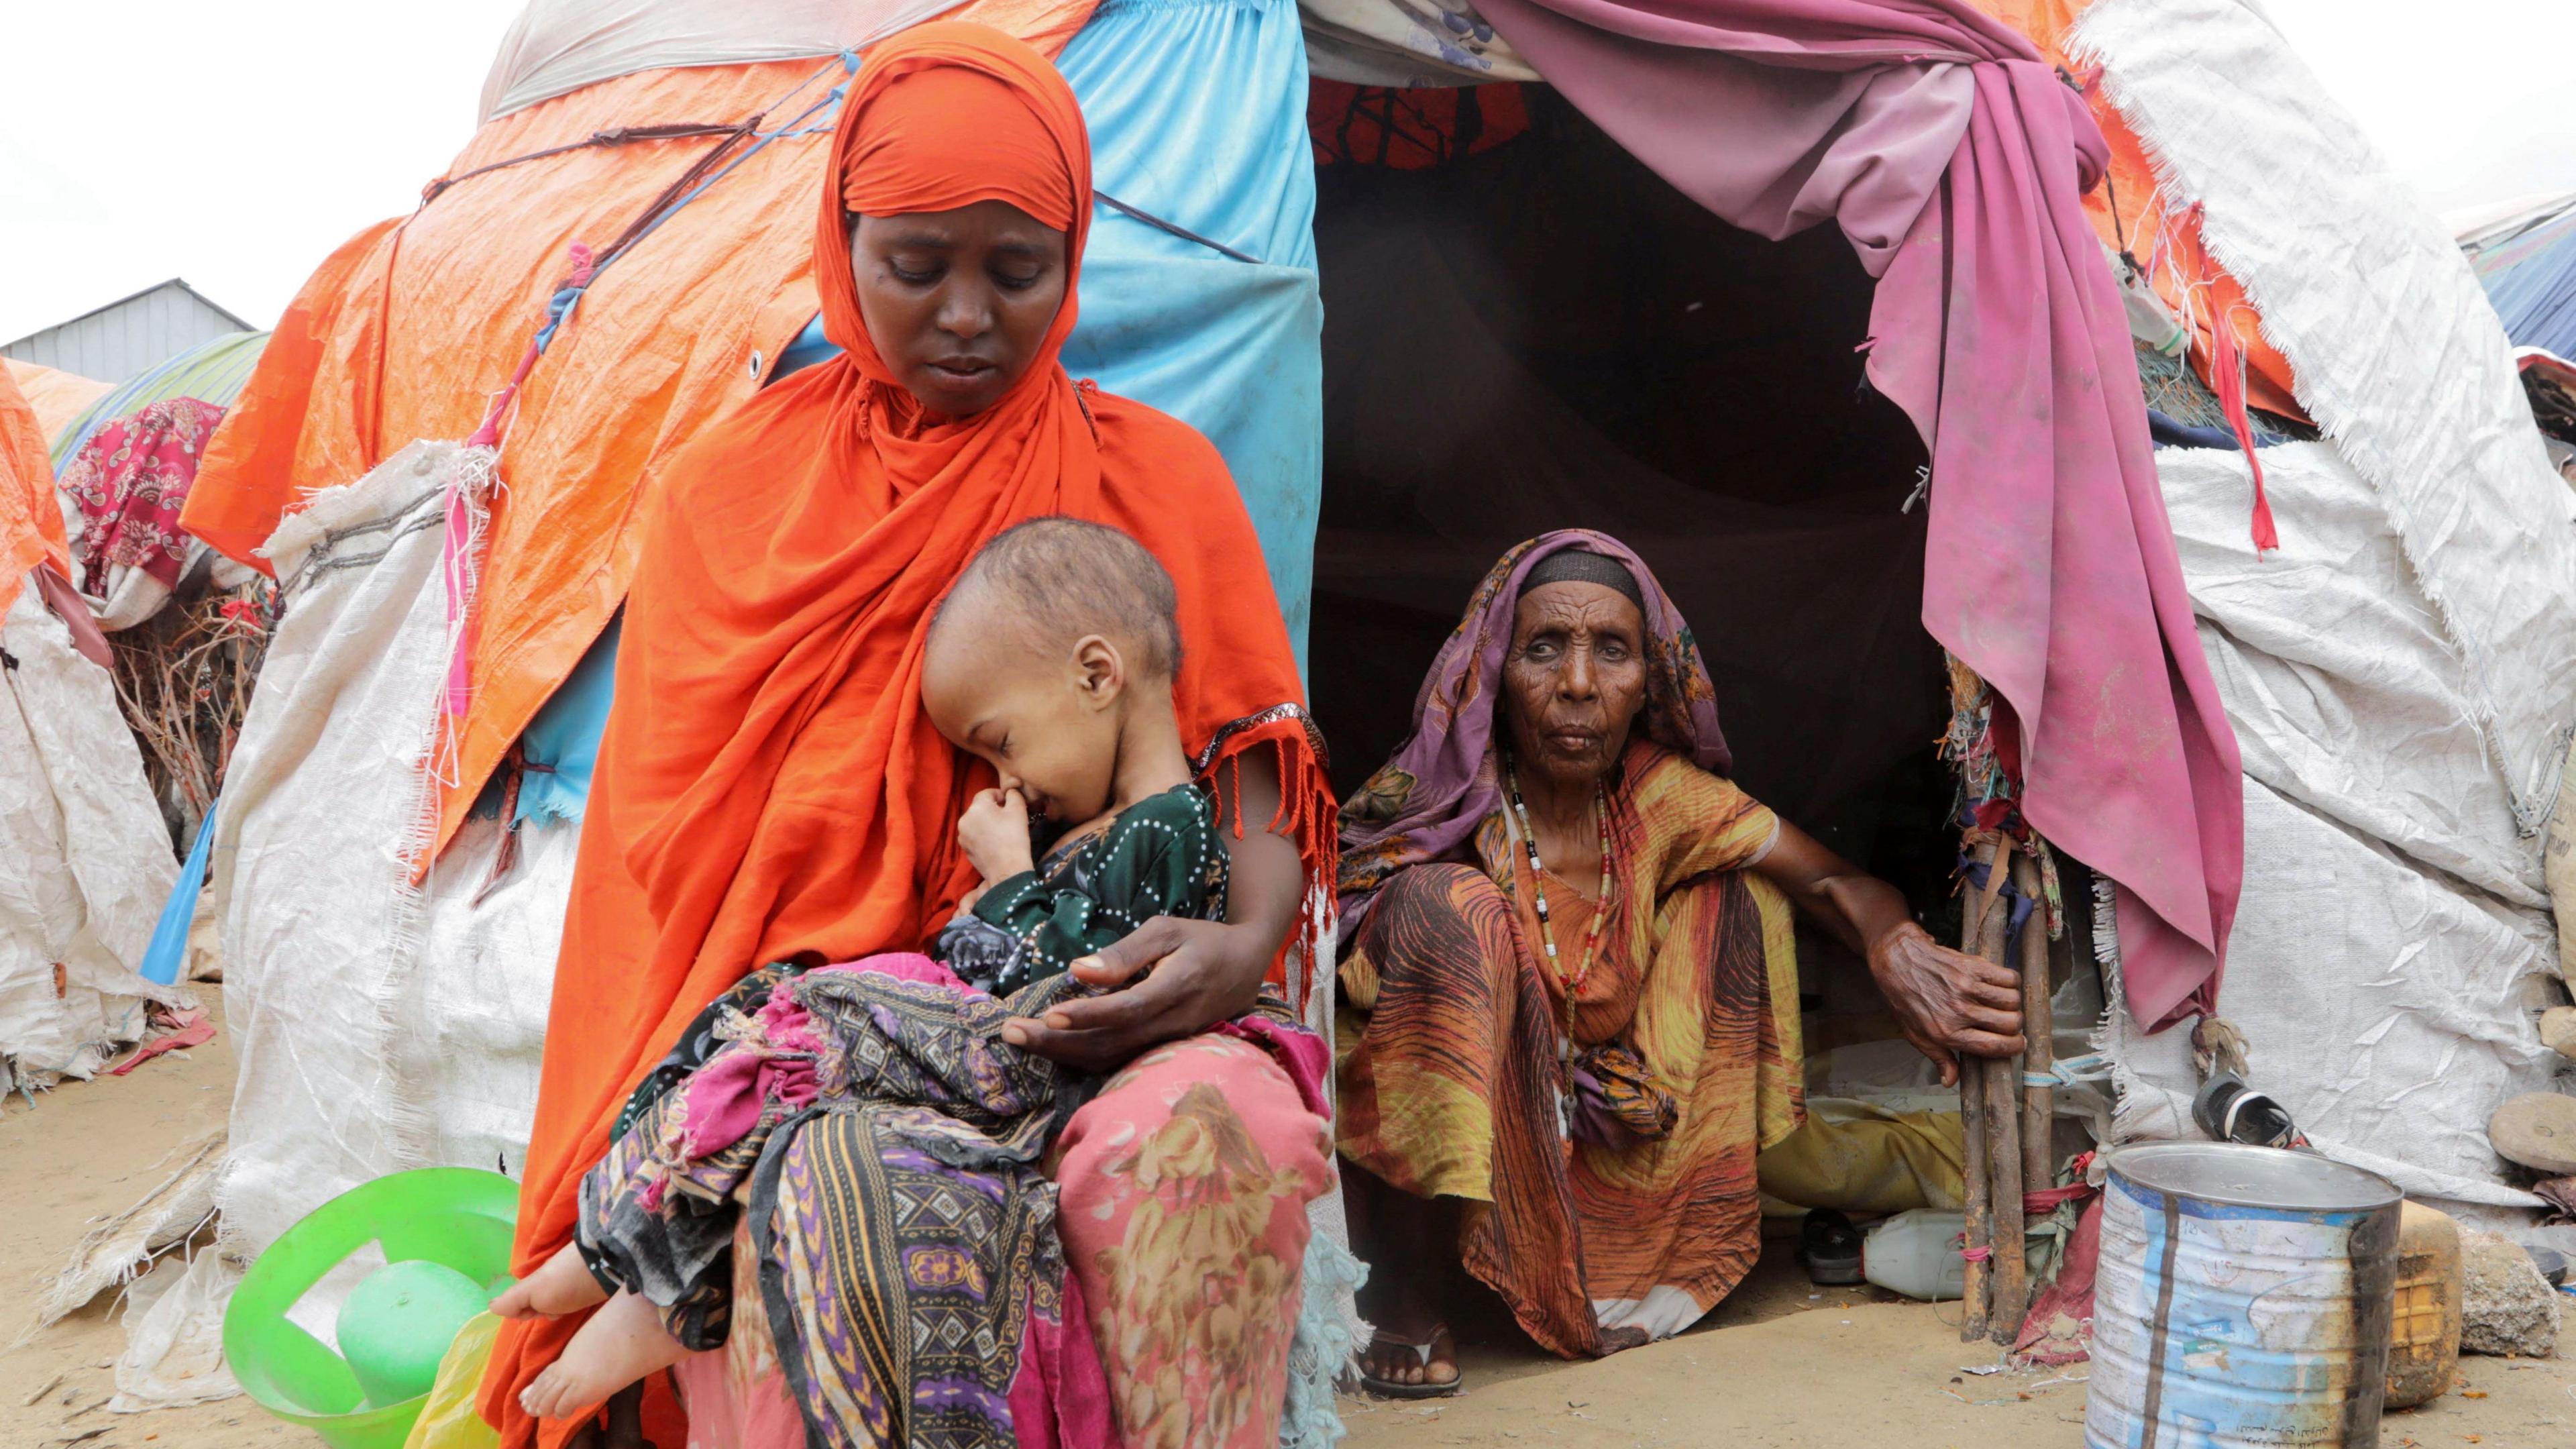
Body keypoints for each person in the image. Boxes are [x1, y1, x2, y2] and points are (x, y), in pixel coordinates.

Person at [482, 29, 1338, 1449]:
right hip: (835, 1012)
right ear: (841, 240)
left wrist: (1238, 951)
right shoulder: (729, 492)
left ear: (1073, 262)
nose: (963, 313)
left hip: (1111, 1000)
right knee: (814, 1177)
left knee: (1199, 1137)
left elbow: (1254, 771)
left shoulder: (1158, 476)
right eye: (915, 263)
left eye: (1017, 272)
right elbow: (673, 860)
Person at [495, 519, 1269, 1432]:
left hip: (1027, 1066)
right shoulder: (1105, 830)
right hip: (985, 1053)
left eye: (1004, 742)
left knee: (808, 1022)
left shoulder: (1169, 826)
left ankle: (627, 1251)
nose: (1005, 779)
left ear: (1098, 676)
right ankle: (650, 1267)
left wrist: (1012, 877)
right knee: (765, 1020)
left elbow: (1067, 980)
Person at [1332, 531, 2025, 1395]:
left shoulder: (1654, 798)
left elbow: (1831, 880)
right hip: (1435, 1158)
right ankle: (1404, 1278)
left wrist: (1896, 947)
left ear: (1647, 683)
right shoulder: (1444, 803)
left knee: (1739, 895)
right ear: (1493, 673)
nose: (1578, 685)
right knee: (1448, 908)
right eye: (1544, 649)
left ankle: (1637, 1256)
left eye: (1611, 653)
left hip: (1603, 1122)